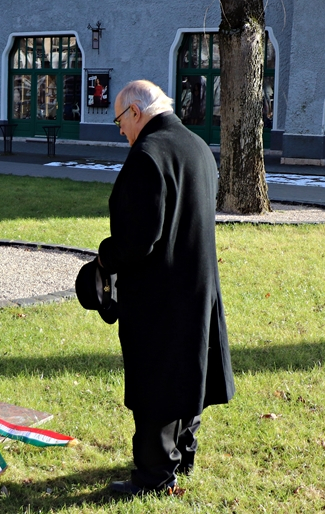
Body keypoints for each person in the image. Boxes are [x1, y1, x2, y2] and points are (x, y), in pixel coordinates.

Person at [97, 79, 235, 497]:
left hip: (158, 291)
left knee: (157, 379)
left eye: (120, 121)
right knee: (189, 372)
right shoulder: (196, 146)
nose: (121, 131)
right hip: (197, 283)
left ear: (136, 112)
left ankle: (154, 476)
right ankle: (183, 454)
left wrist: (104, 259)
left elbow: (137, 240)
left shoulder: (147, 155)